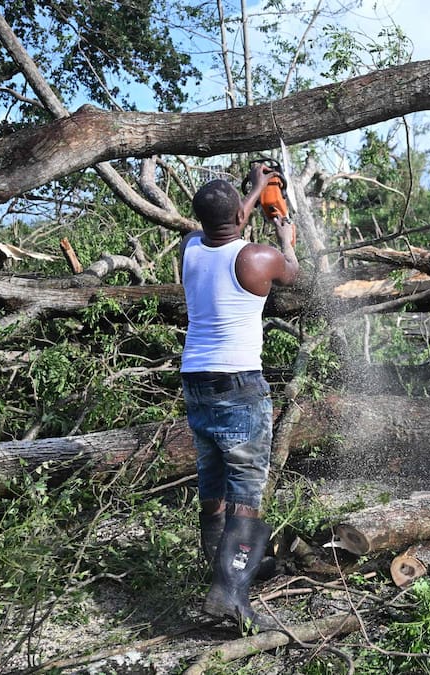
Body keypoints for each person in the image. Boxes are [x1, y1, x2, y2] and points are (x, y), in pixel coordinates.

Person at [179, 163, 299, 629]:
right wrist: (285, 234)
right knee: (246, 486)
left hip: (195, 380)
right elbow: (292, 272)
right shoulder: (258, 257)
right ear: (242, 217)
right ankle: (230, 595)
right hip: (238, 383)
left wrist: (253, 190)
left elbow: (228, 221)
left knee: (212, 481)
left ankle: (221, 572)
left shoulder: (190, 248)